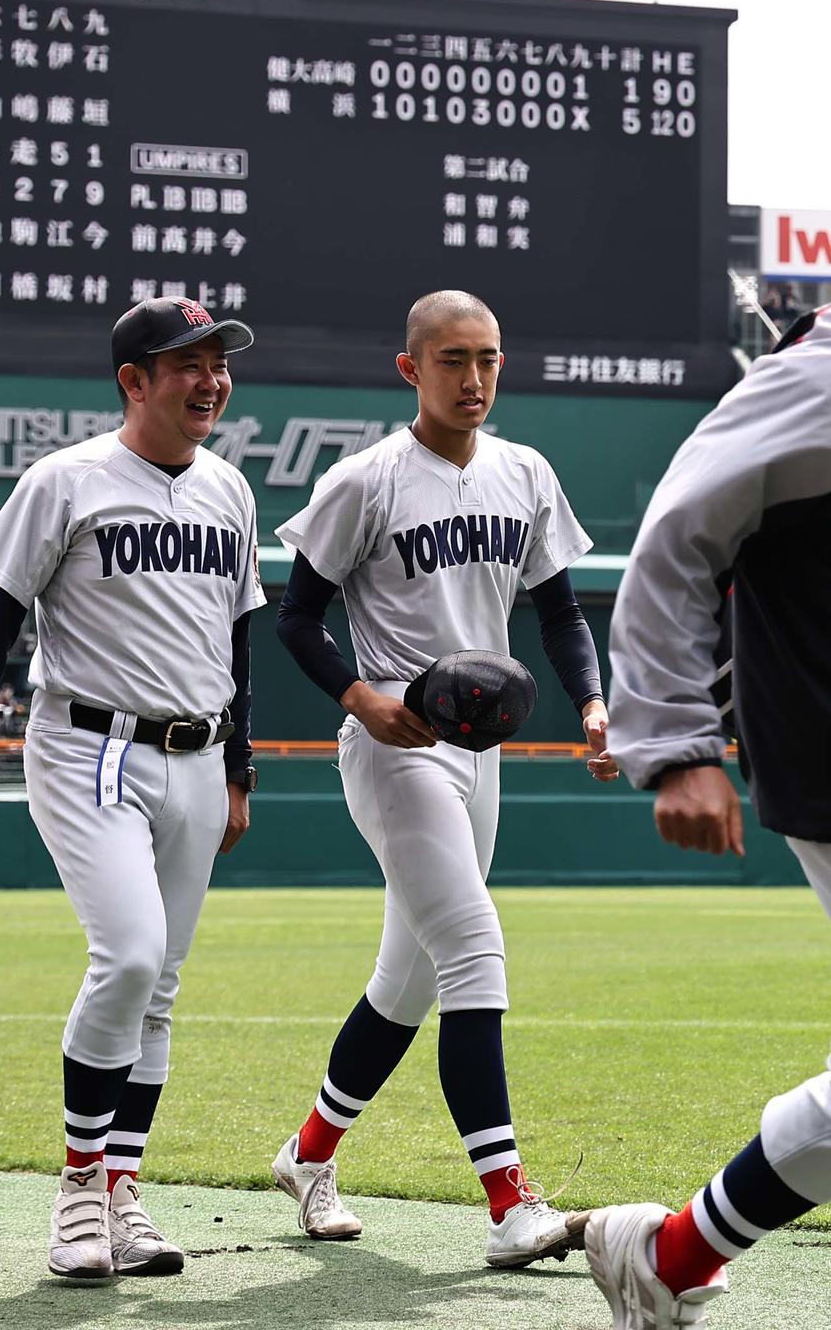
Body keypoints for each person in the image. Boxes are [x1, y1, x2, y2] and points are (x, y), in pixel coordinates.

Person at [270, 289, 617, 1267]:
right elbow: (295, 617)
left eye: (488, 358)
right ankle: (509, 1203)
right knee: (473, 948)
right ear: (410, 368)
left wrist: (592, 702)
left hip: (479, 751)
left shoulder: (525, 471)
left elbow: (560, 614)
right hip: (396, 743)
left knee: (408, 980)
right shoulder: (365, 480)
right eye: (453, 358)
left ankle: (307, 1154)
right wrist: (360, 698)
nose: (473, 378)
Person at [0, 296, 263, 1282]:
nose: (211, 380)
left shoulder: (231, 491)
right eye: (188, 363)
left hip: (198, 753)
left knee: (159, 989)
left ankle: (122, 1195)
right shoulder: (65, 480)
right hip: (89, 747)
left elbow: (237, 640)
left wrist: (238, 767)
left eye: (218, 363)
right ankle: (78, 1191)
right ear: (134, 381)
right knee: (129, 957)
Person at [585, 304, 831, 1327]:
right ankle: (668, 1253)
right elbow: (672, 541)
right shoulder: (814, 377)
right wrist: (678, 744)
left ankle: (671, 1255)